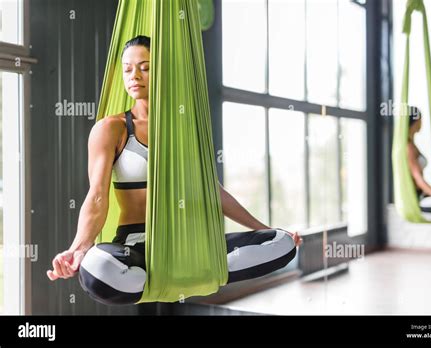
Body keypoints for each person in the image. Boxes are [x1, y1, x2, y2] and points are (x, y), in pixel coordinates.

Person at [46, 36, 302, 305]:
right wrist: (77, 248)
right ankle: (164, 274)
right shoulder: (112, 129)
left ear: (163, 71)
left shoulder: (185, 128)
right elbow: (97, 196)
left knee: (282, 244)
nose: (134, 75)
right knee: (97, 270)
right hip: (134, 247)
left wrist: (266, 229)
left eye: (144, 67)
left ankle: (186, 270)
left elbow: (213, 192)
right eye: (127, 68)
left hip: (187, 245)